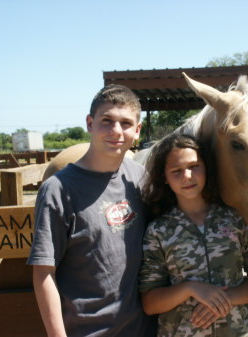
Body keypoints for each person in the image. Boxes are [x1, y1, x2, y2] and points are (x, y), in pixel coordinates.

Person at [27, 84, 157, 337]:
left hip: (141, 330)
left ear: (138, 130)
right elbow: (43, 273)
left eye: (126, 123)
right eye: (106, 121)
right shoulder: (58, 189)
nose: (116, 131)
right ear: (90, 123)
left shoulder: (138, 177)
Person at [138, 133, 248, 337]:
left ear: (207, 167)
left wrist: (223, 300)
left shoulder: (236, 219)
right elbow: (150, 302)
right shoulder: (159, 230)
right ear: (164, 177)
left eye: (194, 166)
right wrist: (190, 288)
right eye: (176, 170)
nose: (187, 176)